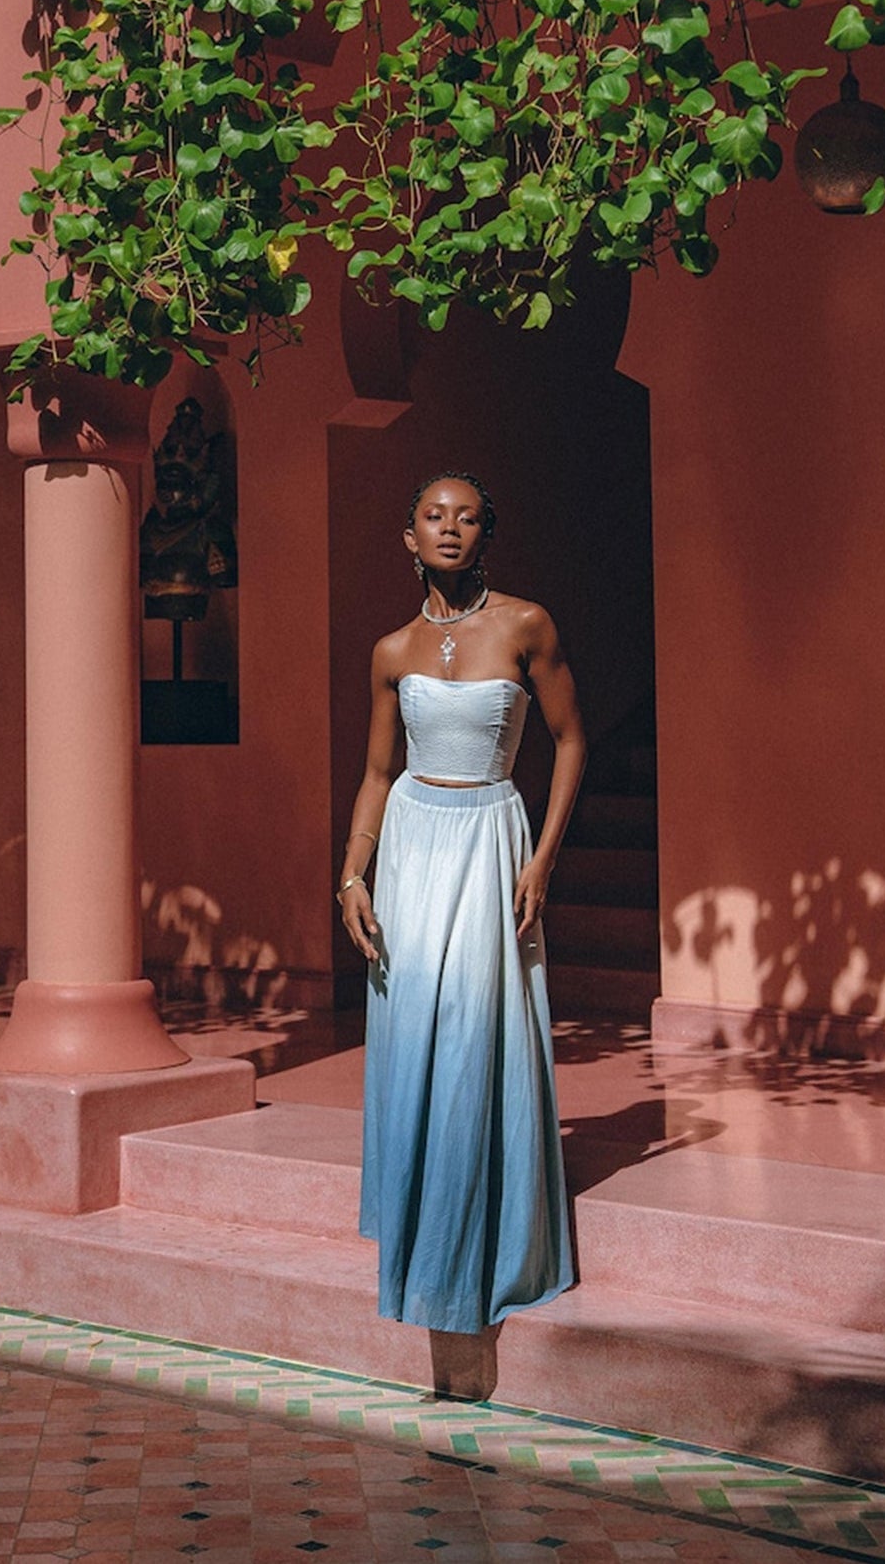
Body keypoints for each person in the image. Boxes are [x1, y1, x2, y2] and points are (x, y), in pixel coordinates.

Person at [339, 474, 586, 1334]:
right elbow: (376, 773)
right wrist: (351, 875)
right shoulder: (390, 650)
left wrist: (542, 860)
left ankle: (475, 1244)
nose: (449, 529)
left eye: (467, 516)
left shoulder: (526, 625)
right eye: (432, 517)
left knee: (476, 1027)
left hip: (488, 837)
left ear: (487, 534)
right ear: (408, 538)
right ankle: (414, 1226)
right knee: (412, 1030)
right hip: (409, 841)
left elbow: (570, 741)